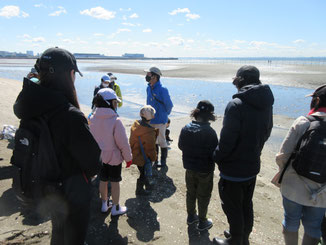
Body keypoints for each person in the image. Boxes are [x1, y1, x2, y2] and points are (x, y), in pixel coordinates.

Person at [13, 47, 102, 245]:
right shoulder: (69, 114)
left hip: (45, 186)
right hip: (71, 192)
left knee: (58, 231)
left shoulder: (30, 106)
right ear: (70, 74)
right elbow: (94, 163)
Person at [213, 65, 274, 245]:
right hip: (252, 163)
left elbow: (227, 140)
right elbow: (267, 130)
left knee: (233, 206)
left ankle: (236, 240)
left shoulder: (236, 105)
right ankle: (241, 235)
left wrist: (216, 156)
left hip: (234, 168)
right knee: (246, 204)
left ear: (240, 80)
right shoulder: (266, 102)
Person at [274, 85, 326, 245]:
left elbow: (282, 155)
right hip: (322, 192)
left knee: (290, 221)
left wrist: (284, 170)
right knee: (313, 226)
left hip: (293, 185)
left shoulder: (303, 122)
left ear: (317, 100)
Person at [89, 88, 132, 216]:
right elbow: (123, 143)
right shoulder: (115, 121)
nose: (117, 105)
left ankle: (104, 204)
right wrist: (128, 158)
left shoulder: (92, 118)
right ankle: (116, 207)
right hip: (114, 158)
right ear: (110, 103)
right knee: (114, 183)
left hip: (99, 157)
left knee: (102, 180)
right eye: (115, 102)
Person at [178, 100, 218, 231]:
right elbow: (215, 153)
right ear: (210, 116)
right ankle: (202, 221)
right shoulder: (210, 132)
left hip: (189, 167)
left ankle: (191, 217)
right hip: (205, 170)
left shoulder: (186, 128)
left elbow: (180, 146)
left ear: (196, 113)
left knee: (191, 193)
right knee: (204, 195)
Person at [145, 66, 173, 168]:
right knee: (153, 141)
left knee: (161, 140)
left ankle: (163, 161)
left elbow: (169, 105)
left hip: (161, 120)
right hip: (151, 120)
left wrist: (164, 115)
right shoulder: (148, 88)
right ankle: (155, 160)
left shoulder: (162, 89)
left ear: (155, 76)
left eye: (148, 74)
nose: (146, 76)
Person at [129, 105, 158, 196]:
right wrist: (154, 158)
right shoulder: (149, 132)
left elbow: (131, 141)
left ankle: (144, 185)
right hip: (144, 157)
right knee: (143, 174)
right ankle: (139, 190)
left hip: (136, 154)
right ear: (152, 117)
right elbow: (151, 149)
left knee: (141, 172)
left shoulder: (135, 126)